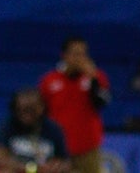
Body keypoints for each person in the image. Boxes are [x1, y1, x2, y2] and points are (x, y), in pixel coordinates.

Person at [39, 37, 110, 173]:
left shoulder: (96, 77)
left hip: (88, 147)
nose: (80, 59)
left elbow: (102, 103)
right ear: (64, 55)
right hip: (58, 148)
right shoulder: (49, 80)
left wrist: (93, 80)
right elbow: (42, 113)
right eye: (75, 54)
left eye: (83, 54)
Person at [0, 88, 69, 173]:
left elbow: (66, 161)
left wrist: (57, 166)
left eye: (31, 110)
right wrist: (33, 169)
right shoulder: (7, 127)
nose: (26, 115)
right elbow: (0, 159)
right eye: (22, 110)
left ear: (42, 108)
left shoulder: (53, 129)